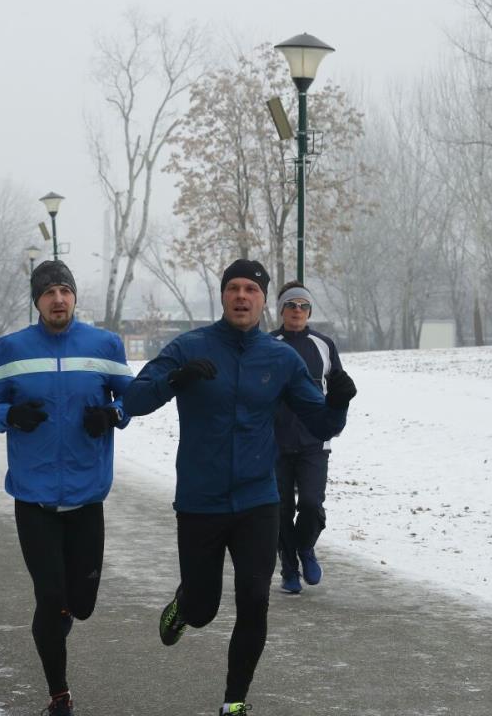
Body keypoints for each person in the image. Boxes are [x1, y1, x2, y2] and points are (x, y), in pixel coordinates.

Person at [123, 259, 357, 716]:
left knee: (254, 601)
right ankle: (183, 605)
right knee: (203, 609)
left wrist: (339, 402)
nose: (242, 296)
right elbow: (132, 400)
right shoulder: (189, 346)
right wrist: (175, 379)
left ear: (263, 299)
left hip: (257, 500)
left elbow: (321, 421)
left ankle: (234, 702)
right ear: (223, 295)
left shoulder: (281, 359)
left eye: (251, 288)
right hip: (200, 501)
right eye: (234, 288)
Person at [0, 260, 133, 716]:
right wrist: (10, 416)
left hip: (87, 495)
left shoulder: (104, 345)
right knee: (51, 597)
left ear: (75, 296)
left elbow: (131, 395)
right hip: (34, 496)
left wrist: (113, 414)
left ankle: (60, 617)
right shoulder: (10, 350)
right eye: (48, 293)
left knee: (80, 604)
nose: (57, 299)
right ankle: (58, 694)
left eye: (65, 290)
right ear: (36, 300)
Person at [270, 281, 346, 595]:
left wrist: (335, 421)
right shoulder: (267, 343)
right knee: (280, 509)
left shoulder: (324, 344)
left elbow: (340, 389)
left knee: (312, 504)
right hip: (274, 441)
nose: (297, 311)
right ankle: (289, 569)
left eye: (302, 305)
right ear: (281, 310)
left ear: (310, 310)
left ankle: (305, 548)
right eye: (291, 305)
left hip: (315, 440)